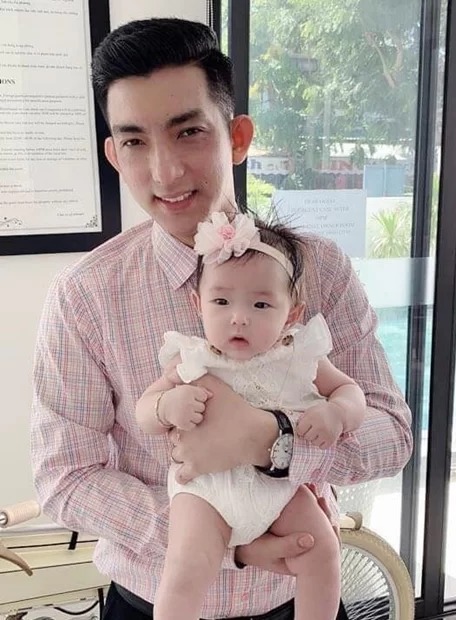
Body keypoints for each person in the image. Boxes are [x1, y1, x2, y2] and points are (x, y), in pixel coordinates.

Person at [31, 16, 412, 620]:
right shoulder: (85, 296)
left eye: (188, 132)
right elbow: (65, 475)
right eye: (135, 142)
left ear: (237, 137)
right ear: (114, 155)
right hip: (153, 599)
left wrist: (272, 440)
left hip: (297, 600)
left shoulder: (319, 269)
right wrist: (223, 541)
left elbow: (391, 433)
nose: (165, 172)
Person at [136, 212, 367, 620]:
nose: (238, 317)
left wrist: (337, 412)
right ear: (198, 304)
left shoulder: (298, 356)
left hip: (279, 489)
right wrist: (166, 406)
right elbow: (144, 411)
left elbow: (352, 391)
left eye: (261, 304)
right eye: (221, 302)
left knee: (322, 549)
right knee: (185, 567)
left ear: (291, 314)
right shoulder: (192, 359)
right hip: (205, 491)